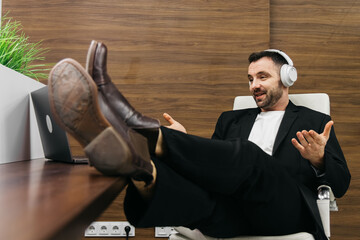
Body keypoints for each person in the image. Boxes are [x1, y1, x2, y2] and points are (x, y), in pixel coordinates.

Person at [47, 41, 350, 240]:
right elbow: (217, 169)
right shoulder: (230, 120)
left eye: (262, 77)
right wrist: (186, 141)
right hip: (233, 216)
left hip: (285, 212)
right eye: (250, 79)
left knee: (250, 156)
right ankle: (140, 169)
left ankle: (147, 133)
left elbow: (340, 185)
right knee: (196, 199)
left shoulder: (314, 121)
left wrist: (320, 160)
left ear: (286, 79)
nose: (254, 86)